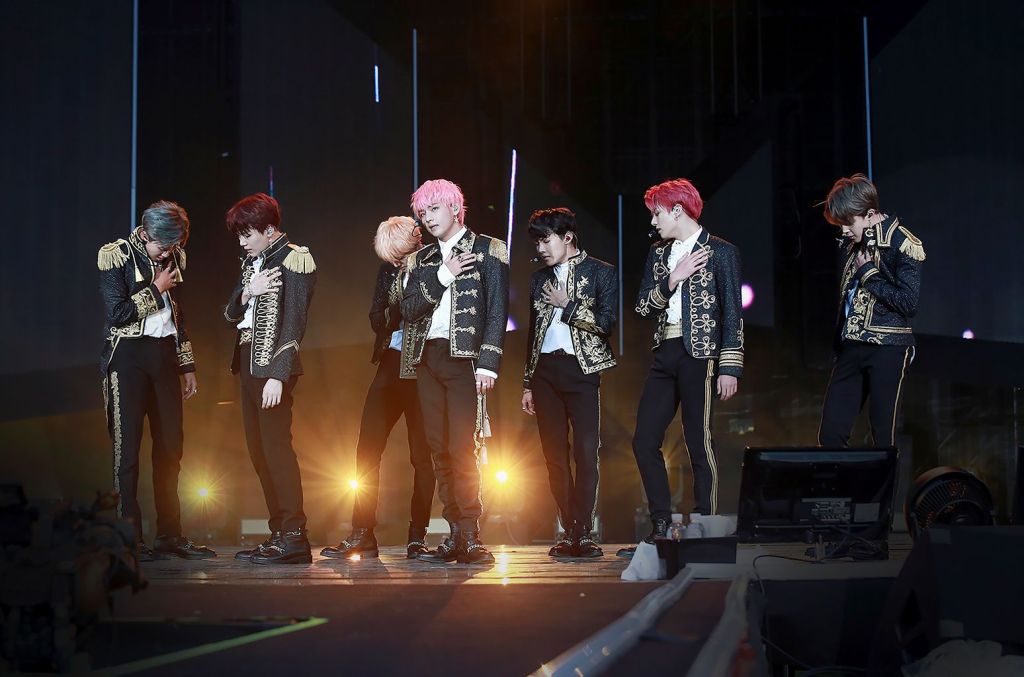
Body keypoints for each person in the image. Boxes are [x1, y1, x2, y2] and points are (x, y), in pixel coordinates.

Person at [630, 178, 744, 548]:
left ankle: (705, 522)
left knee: (698, 438)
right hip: (665, 352)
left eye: (657, 214)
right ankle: (661, 522)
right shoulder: (658, 254)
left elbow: (732, 313)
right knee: (644, 440)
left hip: (701, 353)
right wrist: (673, 279)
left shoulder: (721, 251)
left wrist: (730, 366)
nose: (653, 222)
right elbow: (642, 306)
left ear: (677, 210)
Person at [98, 200, 215, 561]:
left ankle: (170, 534)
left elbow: (178, 315)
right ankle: (128, 538)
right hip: (128, 356)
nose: (168, 252)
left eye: (174, 245)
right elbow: (117, 313)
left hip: (164, 355)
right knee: (127, 452)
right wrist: (156, 287)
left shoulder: (175, 256)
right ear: (147, 233)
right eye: (163, 245)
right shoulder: (117, 255)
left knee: (170, 447)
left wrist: (186, 364)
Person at [400, 179, 509, 565]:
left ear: (454, 207)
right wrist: (443, 276)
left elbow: (497, 310)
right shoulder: (421, 260)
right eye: (423, 212)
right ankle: (454, 535)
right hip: (428, 360)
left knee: (463, 447)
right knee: (439, 449)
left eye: (434, 209)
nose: (428, 218)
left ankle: (471, 534)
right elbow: (409, 309)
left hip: (466, 360)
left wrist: (489, 363)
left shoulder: (488, 249)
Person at [321, 217, 435, 560]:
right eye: (391, 258)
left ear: (415, 243)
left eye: (399, 255)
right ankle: (362, 532)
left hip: (425, 365)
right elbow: (377, 319)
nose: (395, 262)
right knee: (366, 449)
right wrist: (399, 304)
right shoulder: (388, 271)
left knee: (422, 457)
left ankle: (417, 536)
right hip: (390, 361)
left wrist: (402, 306)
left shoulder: (436, 264)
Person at [223, 193, 316, 565]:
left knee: (277, 451)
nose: (242, 242)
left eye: (247, 234)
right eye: (239, 235)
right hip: (247, 363)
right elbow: (229, 315)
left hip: (272, 368)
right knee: (259, 453)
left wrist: (278, 375)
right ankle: (279, 532)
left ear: (270, 228)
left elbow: (294, 323)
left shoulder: (294, 258)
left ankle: (295, 536)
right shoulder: (253, 263)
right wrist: (249, 291)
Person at [521, 207, 617, 558]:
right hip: (545, 372)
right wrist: (527, 383)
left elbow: (606, 324)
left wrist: (567, 305)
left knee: (586, 452)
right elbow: (532, 333)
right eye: (537, 243)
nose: (541, 249)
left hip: (582, 370)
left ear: (568, 237)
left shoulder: (601, 272)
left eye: (546, 240)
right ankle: (568, 529)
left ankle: (584, 530)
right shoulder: (538, 279)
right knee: (554, 456)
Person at [817, 173, 924, 447]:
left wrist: (869, 274)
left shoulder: (902, 241)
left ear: (870, 213)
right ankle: (839, 478)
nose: (843, 230)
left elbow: (908, 302)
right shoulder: (851, 243)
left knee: (883, 435)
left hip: (888, 347)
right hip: (851, 347)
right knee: (830, 434)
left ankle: (884, 478)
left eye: (848, 222)